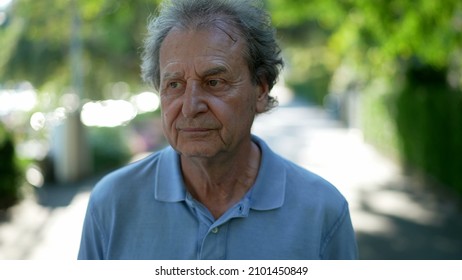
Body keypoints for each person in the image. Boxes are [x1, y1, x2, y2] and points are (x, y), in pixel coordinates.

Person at [78, 0, 358, 260]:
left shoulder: (322, 212)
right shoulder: (112, 204)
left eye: (214, 82)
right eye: (174, 84)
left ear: (260, 91)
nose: (190, 107)